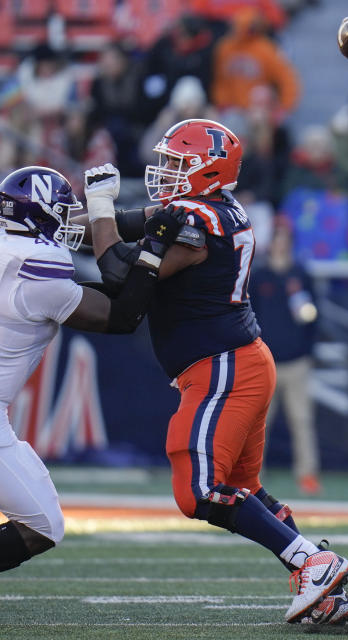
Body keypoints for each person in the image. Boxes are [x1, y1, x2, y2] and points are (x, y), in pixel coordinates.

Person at [84, 119, 348, 626]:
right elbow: (127, 223)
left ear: (208, 169)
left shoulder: (197, 219)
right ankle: (320, 585)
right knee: (241, 490)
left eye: (176, 165)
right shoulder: (210, 209)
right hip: (238, 361)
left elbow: (119, 273)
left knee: (200, 489)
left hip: (223, 367)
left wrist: (98, 208)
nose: (165, 174)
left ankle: (311, 563)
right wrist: (56, 221)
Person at [0, 165, 183, 573]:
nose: (69, 221)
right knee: (43, 525)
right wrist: (151, 249)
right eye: (64, 212)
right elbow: (123, 314)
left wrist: (131, 219)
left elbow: (66, 240)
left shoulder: (11, 246)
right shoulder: (39, 268)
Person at [249, 219, 322, 495]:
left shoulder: (300, 275)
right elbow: (249, 315)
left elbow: (313, 317)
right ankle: (253, 476)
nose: (280, 244)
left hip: (296, 361)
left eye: (284, 239)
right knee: (260, 424)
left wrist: (308, 351)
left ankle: (307, 474)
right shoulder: (260, 277)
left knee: (301, 420)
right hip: (266, 362)